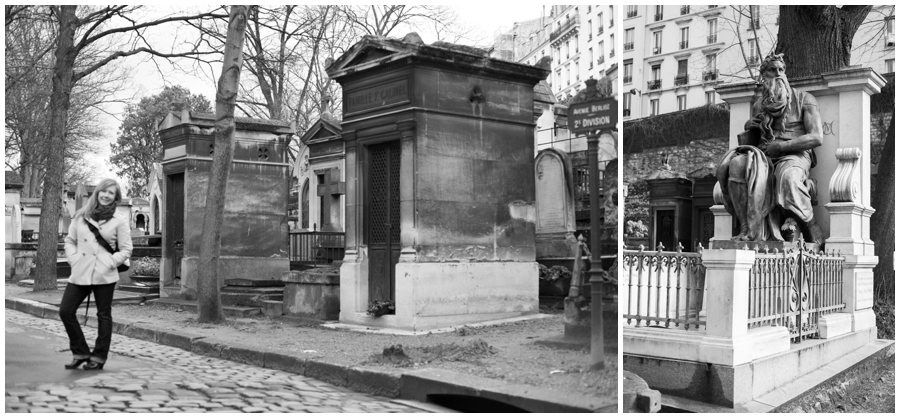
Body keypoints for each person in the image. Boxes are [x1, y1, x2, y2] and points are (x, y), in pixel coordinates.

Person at [716, 53, 825, 246]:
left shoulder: (804, 99)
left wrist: (783, 146)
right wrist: (751, 126)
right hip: (764, 155)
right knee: (736, 164)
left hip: (794, 155)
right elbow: (755, 140)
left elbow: (816, 137)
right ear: (763, 76)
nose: (778, 74)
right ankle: (748, 227)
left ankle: (811, 226)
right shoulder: (760, 105)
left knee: (788, 178)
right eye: (772, 70)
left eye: (781, 70)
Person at [59, 178, 132, 370]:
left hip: (105, 273)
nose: (106, 196)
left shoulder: (119, 219)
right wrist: (73, 259)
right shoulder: (81, 215)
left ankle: (99, 357)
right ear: (97, 192)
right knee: (65, 311)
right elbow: (70, 240)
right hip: (81, 270)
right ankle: (81, 351)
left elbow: (126, 249)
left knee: (103, 315)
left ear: (116, 197)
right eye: (104, 191)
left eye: (111, 193)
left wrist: (111, 261)